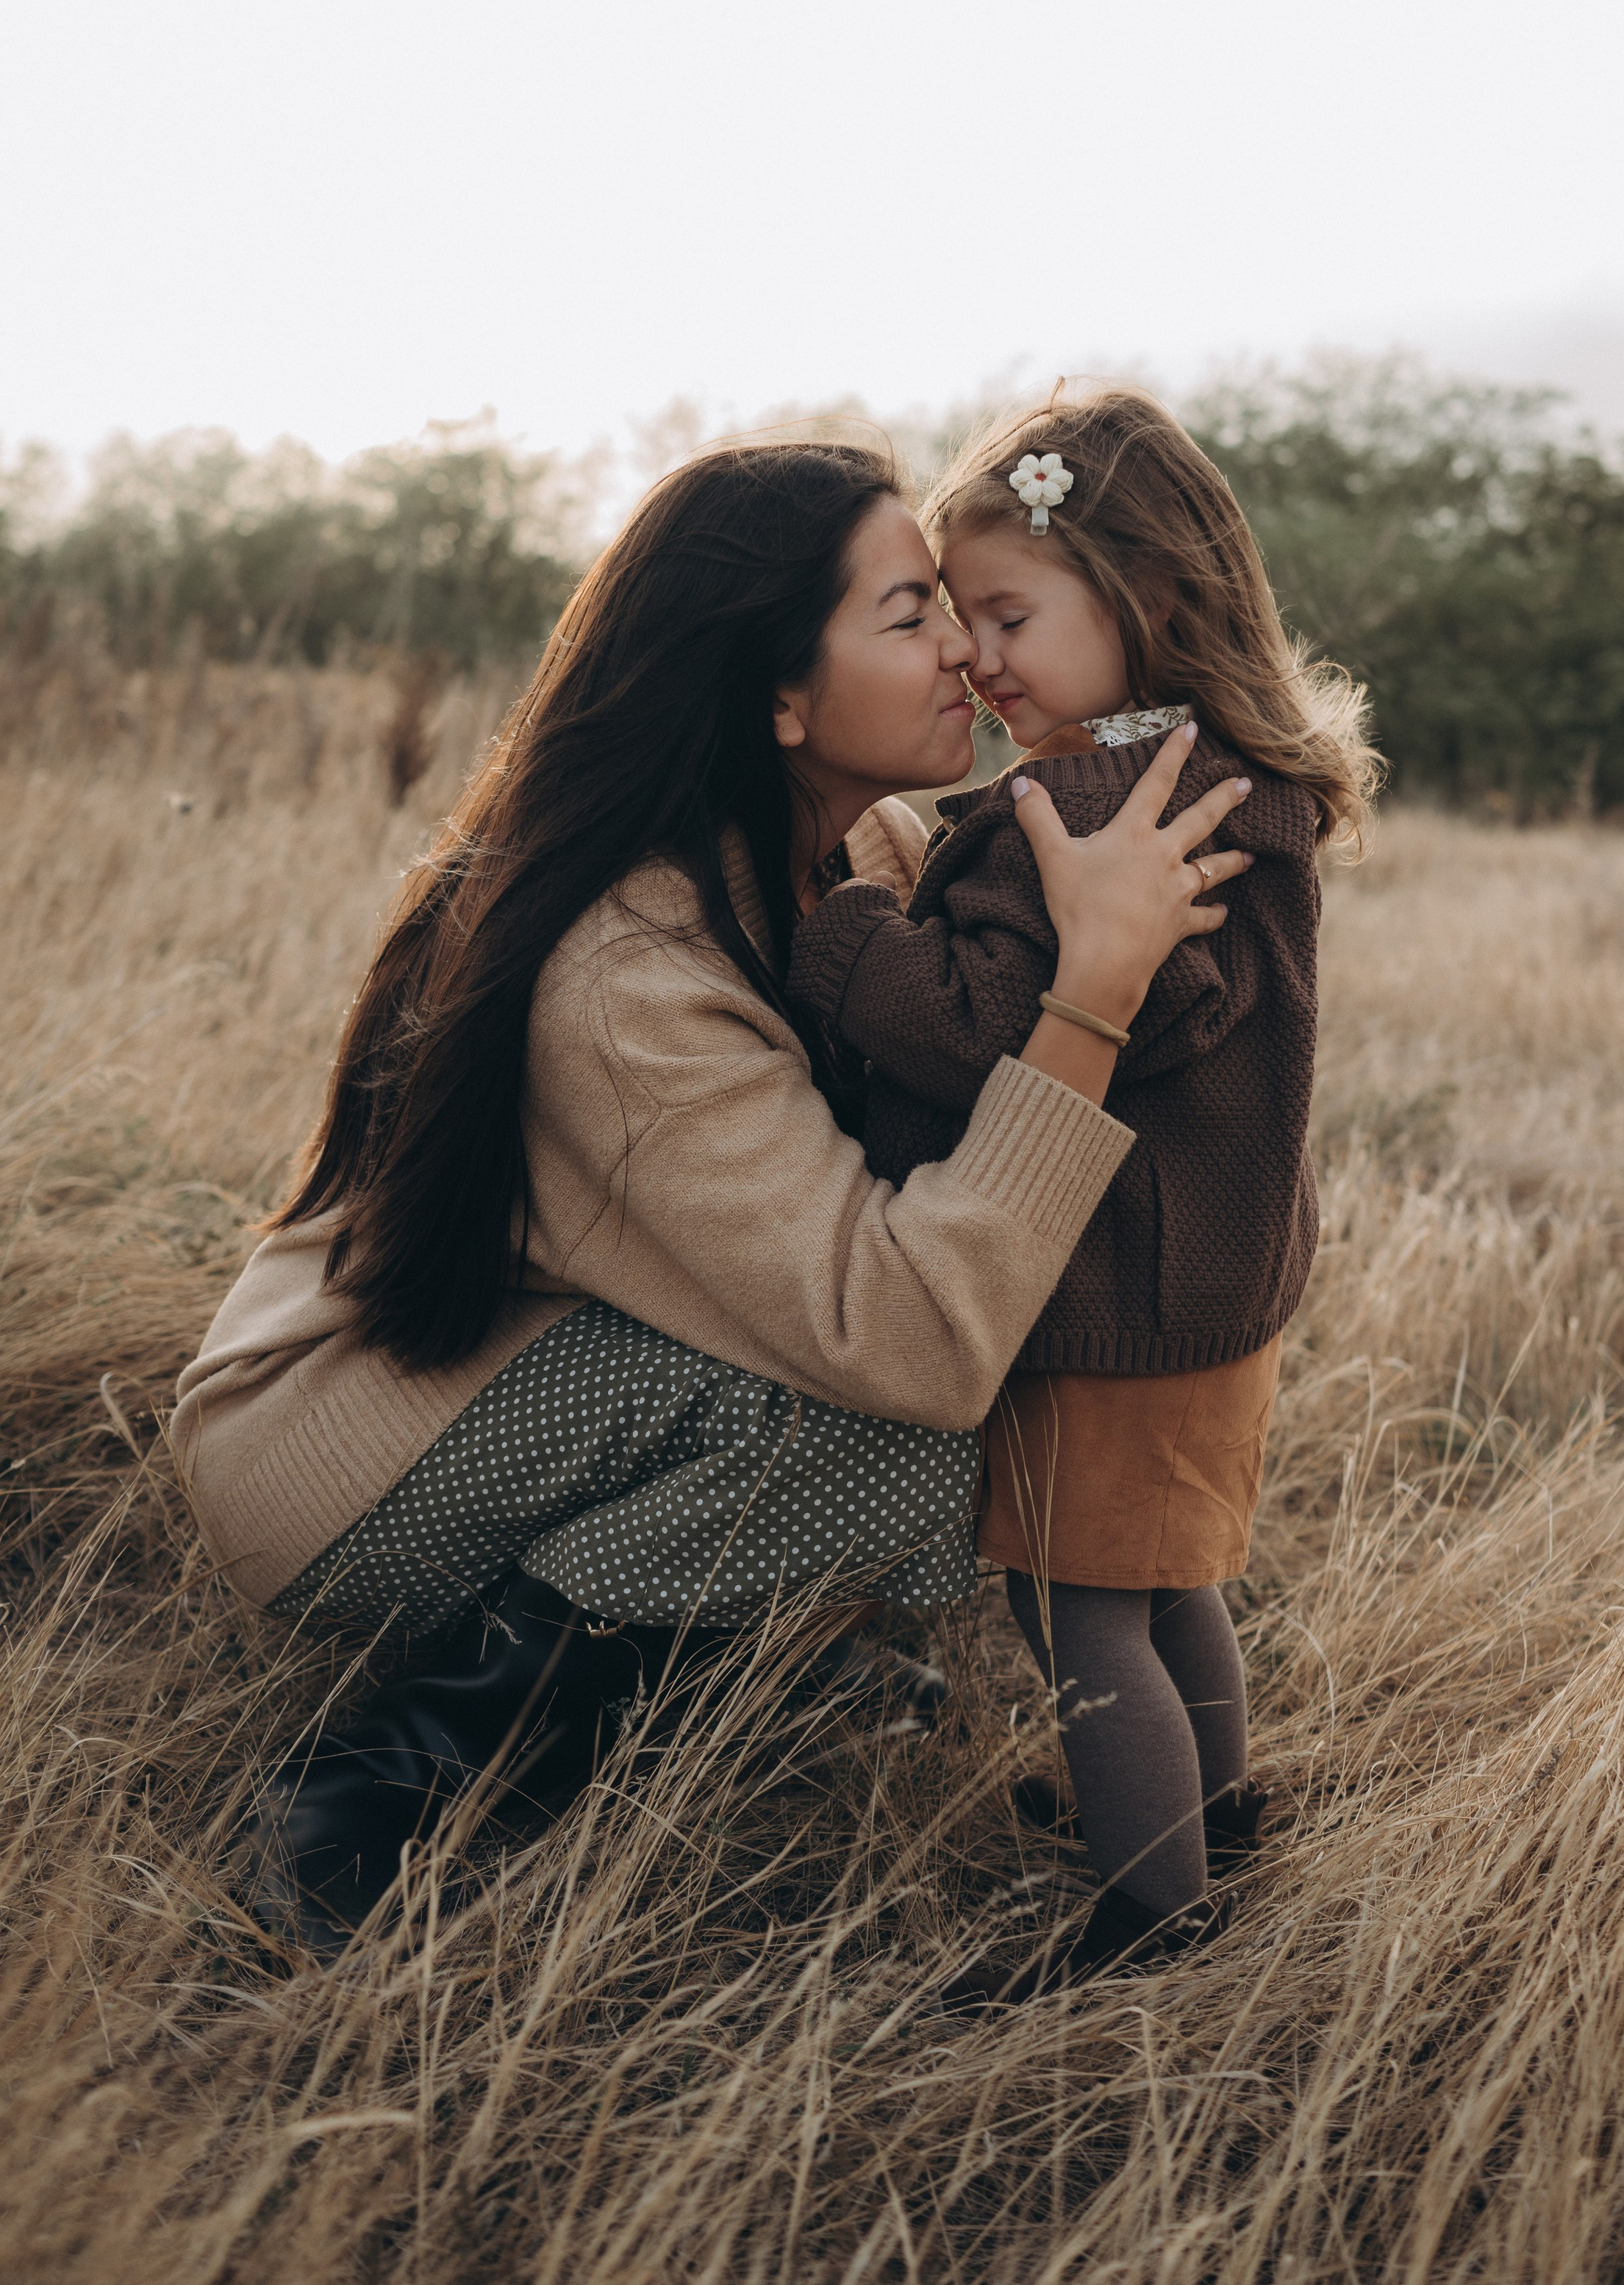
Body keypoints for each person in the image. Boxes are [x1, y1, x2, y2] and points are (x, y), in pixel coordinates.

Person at [172, 434, 1255, 1950]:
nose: (962, 642)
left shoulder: (857, 849)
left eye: (955, 598)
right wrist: (1093, 991)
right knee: (899, 1442)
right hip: (351, 1456)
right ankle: (385, 1779)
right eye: (906, 613)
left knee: (921, 1401)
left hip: (552, 1358)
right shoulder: (625, 974)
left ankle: (731, 1657)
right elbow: (917, 1340)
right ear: (775, 698)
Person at [787, 386, 1378, 1999]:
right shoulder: (1225, 777)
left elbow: (994, 1029)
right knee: (1163, 1574)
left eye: (1007, 613)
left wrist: (842, 931)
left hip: (1112, 1292)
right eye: (957, 613)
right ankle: (1215, 1809)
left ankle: (1150, 1914)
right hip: (1210, 1284)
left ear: (1150, 603)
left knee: (1077, 1616)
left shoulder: (1089, 807)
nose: (977, 653)